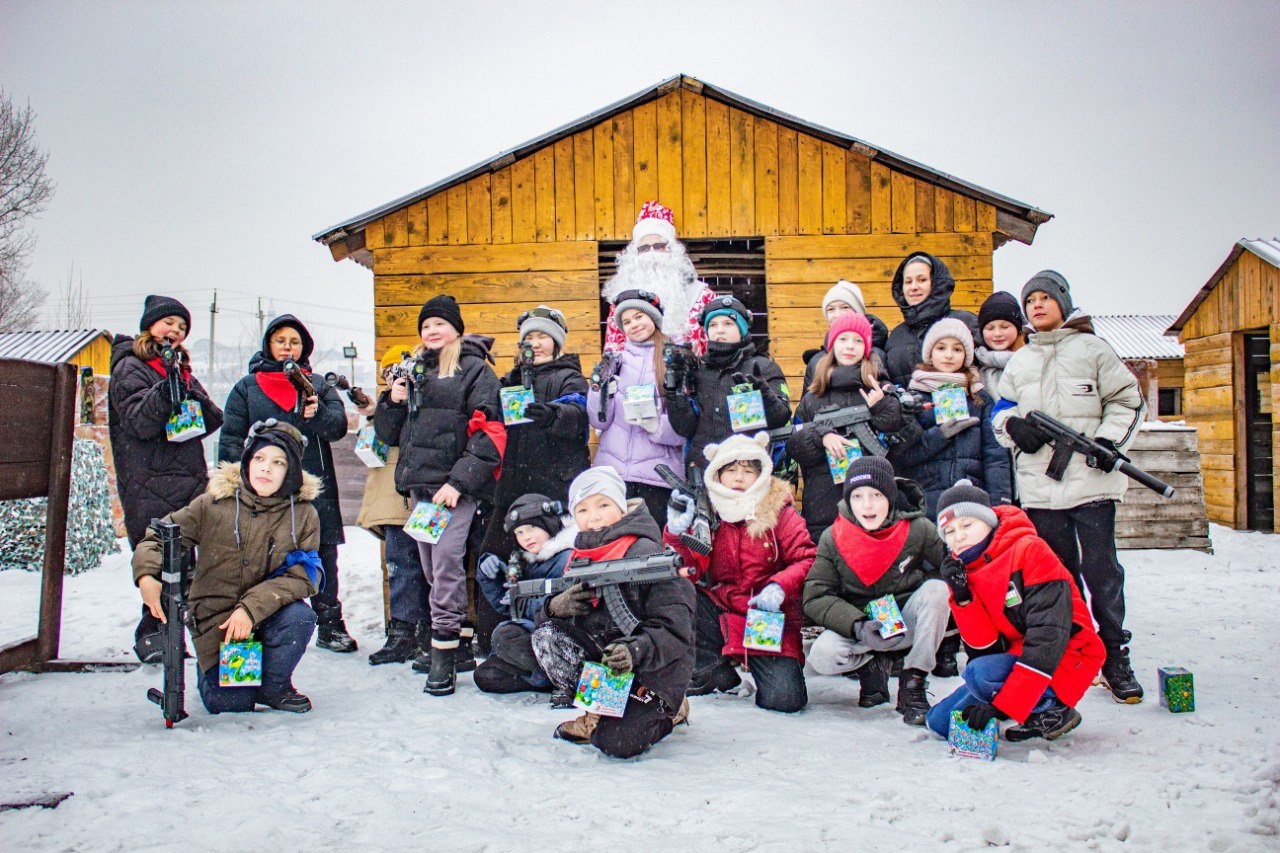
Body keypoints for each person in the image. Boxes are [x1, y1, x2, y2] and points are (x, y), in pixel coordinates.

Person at [992, 270, 1146, 703]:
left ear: (1064, 301)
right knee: (1058, 577)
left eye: (1045, 297)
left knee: (1102, 572)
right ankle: (1078, 650)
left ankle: (1116, 655)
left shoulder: (1093, 349)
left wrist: (1107, 442)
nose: (1037, 305)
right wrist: (1014, 427)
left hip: (1092, 483)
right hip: (1041, 489)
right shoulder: (1020, 360)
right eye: (1030, 300)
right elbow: (1000, 410)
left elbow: (1127, 400)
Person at [133, 420, 322, 714]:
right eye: (259, 458)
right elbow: (159, 535)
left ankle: (274, 686)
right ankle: (219, 677)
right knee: (233, 705)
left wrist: (251, 608)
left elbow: (306, 575)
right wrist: (147, 574)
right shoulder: (214, 504)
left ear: (291, 471)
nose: (266, 468)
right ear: (247, 461)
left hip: (268, 616)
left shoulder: (304, 514)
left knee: (300, 617)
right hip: (218, 624)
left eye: (278, 462)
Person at [374, 294, 505, 696]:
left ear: (457, 330)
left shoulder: (474, 371)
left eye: (439, 324)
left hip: (454, 489)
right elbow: (387, 434)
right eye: (426, 325)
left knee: (447, 563)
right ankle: (456, 643)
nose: (432, 331)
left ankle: (443, 654)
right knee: (431, 568)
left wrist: (459, 483)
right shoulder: (414, 371)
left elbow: (490, 433)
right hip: (421, 489)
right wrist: (391, 401)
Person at [531, 466, 695, 759]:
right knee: (547, 637)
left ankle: (670, 710)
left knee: (615, 743)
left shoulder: (647, 552)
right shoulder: (578, 557)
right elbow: (548, 625)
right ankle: (595, 710)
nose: (593, 516)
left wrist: (635, 650)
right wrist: (555, 608)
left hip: (654, 670)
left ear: (621, 507)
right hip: (608, 663)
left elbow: (676, 629)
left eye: (603, 505)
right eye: (582, 509)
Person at [926, 480, 1105, 742]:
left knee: (980, 675)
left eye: (967, 525)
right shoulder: (966, 567)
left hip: (1067, 653)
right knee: (939, 723)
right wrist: (964, 599)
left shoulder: (1031, 551)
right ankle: (1030, 706)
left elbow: (1049, 636)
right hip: (1015, 656)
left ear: (988, 521)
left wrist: (1002, 707)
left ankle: (1053, 709)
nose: (959, 536)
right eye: (949, 531)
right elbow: (985, 649)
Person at [218, 314, 356, 654]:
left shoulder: (319, 386)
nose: (287, 347)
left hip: (314, 487)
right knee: (263, 556)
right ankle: (265, 620)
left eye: (294, 342)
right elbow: (232, 439)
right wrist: (240, 483)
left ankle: (329, 622)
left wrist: (318, 413)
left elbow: (337, 426)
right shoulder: (247, 387)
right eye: (281, 340)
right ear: (269, 344)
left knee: (322, 555)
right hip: (263, 488)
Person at [109, 295, 224, 663]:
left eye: (182, 327)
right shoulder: (131, 367)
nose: (175, 330)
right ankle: (154, 634)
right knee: (158, 560)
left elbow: (211, 418)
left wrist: (186, 391)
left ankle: (172, 635)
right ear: (150, 326)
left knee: (185, 563)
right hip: (149, 480)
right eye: (169, 323)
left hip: (186, 479)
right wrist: (165, 392)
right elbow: (139, 422)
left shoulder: (181, 369)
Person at [665, 433, 815, 713]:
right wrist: (675, 533)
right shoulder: (707, 512)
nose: (738, 478)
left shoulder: (780, 513)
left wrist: (779, 587)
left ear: (761, 474)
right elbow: (689, 569)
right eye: (731, 470)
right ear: (717, 475)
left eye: (748, 470)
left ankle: (760, 666)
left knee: (785, 700)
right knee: (681, 593)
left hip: (768, 615)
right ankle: (713, 669)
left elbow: (806, 558)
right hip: (723, 608)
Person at [804, 457, 950, 725]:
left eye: (876, 495)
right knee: (822, 656)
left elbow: (950, 565)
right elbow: (816, 595)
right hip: (863, 625)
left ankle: (914, 679)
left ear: (890, 497)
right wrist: (857, 626)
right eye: (857, 496)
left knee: (938, 591)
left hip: (905, 622)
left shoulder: (917, 528)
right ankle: (870, 666)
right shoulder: (832, 537)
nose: (867, 505)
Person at [787, 311, 915, 543]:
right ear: (832, 345)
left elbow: (904, 438)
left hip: (874, 505)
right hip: (824, 507)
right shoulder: (813, 397)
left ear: (867, 347)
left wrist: (882, 407)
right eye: (843, 339)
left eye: (858, 340)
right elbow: (794, 447)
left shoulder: (880, 387)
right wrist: (821, 436)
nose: (850, 346)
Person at [479, 305, 589, 559]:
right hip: (512, 487)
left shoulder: (568, 376)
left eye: (543, 337)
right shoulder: (509, 381)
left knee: (552, 560)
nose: (535, 344)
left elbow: (579, 413)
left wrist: (552, 414)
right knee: (494, 560)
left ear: (556, 342)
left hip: (554, 488)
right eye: (529, 338)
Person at [357, 346, 431, 666]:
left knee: (435, 564)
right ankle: (402, 630)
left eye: (401, 370)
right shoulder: (385, 405)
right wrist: (393, 400)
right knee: (400, 563)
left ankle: (431, 630)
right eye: (390, 372)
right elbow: (385, 436)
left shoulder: (430, 392)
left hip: (427, 492)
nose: (396, 377)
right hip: (395, 499)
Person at [894, 317, 1012, 518]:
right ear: (930, 353)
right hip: (925, 503)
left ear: (966, 355)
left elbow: (995, 457)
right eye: (941, 348)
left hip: (972, 500)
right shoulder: (912, 397)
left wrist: (1000, 504)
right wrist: (939, 435)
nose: (949, 355)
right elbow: (903, 456)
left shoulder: (979, 398)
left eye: (957, 349)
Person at [587, 289, 686, 525]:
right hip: (613, 478)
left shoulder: (675, 360)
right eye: (626, 321)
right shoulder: (615, 362)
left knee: (652, 554)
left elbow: (685, 427)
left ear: (653, 318)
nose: (634, 324)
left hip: (658, 478)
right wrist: (600, 392)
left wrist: (656, 426)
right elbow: (598, 422)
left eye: (639, 316)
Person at [665, 296, 792, 471]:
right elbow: (684, 427)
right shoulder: (698, 371)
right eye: (713, 325)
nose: (720, 330)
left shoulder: (763, 366)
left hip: (747, 474)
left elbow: (780, 418)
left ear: (742, 328)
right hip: (703, 473)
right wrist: (674, 391)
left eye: (728, 324)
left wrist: (764, 395)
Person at [473, 494, 578, 701]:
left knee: (506, 637)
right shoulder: (531, 560)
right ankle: (547, 677)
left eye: (532, 528)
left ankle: (564, 676)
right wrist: (491, 577)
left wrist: (522, 603)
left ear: (548, 524)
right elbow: (509, 608)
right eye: (519, 532)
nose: (526, 537)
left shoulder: (567, 558)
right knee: (486, 675)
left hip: (562, 639)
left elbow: (559, 609)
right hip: (539, 639)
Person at [602, 200, 715, 355]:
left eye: (659, 246)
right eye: (644, 248)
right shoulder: (620, 302)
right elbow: (612, 351)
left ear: (672, 251)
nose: (651, 253)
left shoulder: (702, 296)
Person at [882, 253, 980, 387]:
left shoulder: (967, 323)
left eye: (922, 280)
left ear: (936, 283)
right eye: (908, 281)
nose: (914, 287)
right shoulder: (895, 338)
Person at [800, 280, 890, 391]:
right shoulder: (816, 361)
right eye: (831, 309)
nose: (837, 315)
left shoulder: (878, 356)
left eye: (845, 307)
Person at [974, 291, 1024, 403]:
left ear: (1018, 328)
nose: (997, 333)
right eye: (990, 328)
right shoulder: (974, 363)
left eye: (1005, 327)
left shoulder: (1029, 360)